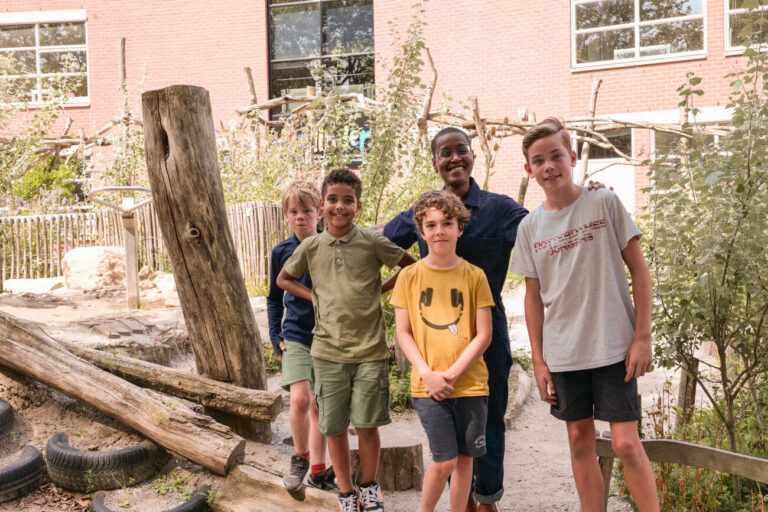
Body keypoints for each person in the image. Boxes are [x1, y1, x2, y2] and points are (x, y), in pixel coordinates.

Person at [510, 118, 659, 512]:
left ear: (572, 157)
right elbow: (532, 298)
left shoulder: (603, 201)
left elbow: (639, 270)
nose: (548, 166)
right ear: (528, 169)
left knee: (626, 444)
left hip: (614, 347)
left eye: (556, 156)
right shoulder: (529, 227)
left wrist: (642, 337)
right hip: (565, 354)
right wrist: (539, 361)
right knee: (579, 441)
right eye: (538, 160)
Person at [383, 127, 528, 512]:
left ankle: (487, 499)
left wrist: (583, 197)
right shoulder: (425, 209)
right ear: (435, 162)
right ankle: (460, 503)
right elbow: (379, 242)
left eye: (461, 150)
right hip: (434, 339)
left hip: (485, 332)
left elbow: (540, 230)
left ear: (473, 156)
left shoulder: (499, 209)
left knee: (488, 418)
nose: (454, 158)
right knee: (447, 429)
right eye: (444, 153)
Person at [277, 169, 416, 512]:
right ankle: (346, 492)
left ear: (358, 206)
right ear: (322, 204)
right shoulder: (311, 246)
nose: (340, 206)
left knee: (367, 425)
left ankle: (369, 486)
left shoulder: (372, 242)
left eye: (348, 200)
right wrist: (315, 296)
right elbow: (283, 279)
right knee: (334, 426)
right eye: (333, 199)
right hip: (327, 353)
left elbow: (411, 267)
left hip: (369, 352)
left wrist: (379, 289)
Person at [391, 190, 493, 512]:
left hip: (470, 385)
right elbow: (403, 333)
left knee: (465, 460)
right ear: (421, 232)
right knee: (444, 460)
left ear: (459, 228)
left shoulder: (475, 276)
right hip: (428, 387)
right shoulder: (409, 277)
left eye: (447, 223)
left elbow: (484, 335)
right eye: (431, 225)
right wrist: (429, 375)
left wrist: (452, 374)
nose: (439, 231)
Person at [266, 181, 337, 492]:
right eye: (293, 212)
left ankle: (318, 470)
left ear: (319, 212)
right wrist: (275, 335)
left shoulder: (332, 245)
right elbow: (273, 298)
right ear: (286, 216)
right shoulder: (280, 252)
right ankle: (300, 457)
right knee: (299, 399)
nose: (300, 217)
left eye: (306, 211)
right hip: (294, 335)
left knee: (320, 405)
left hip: (328, 337)